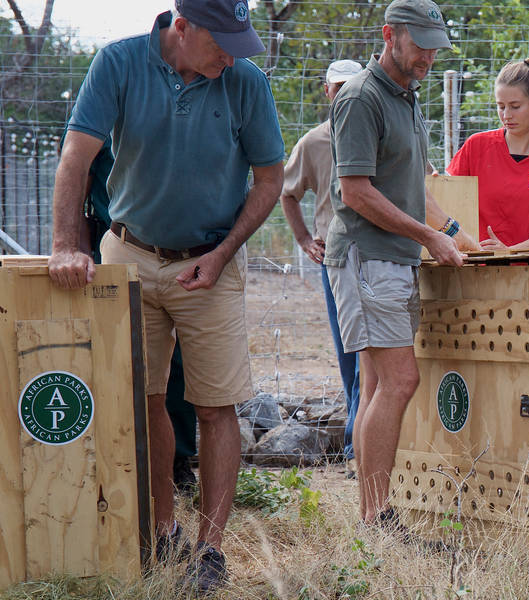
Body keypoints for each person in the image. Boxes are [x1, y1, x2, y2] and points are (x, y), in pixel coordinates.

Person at [48, 0, 284, 594]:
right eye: (221, 42)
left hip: (210, 260)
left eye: (240, 40)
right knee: (144, 399)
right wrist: (65, 245)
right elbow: (76, 156)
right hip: (129, 252)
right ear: (182, 28)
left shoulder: (245, 82)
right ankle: (161, 531)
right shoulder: (119, 63)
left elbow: (271, 179)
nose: (232, 54)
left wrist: (224, 252)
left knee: (216, 406)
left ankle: (211, 550)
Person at [324, 0, 465, 525]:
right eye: (421, 44)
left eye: (436, 46)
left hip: (392, 258)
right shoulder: (361, 98)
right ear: (390, 36)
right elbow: (356, 193)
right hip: (368, 258)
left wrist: (459, 237)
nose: (430, 55)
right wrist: (428, 236)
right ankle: (378, 515)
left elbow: (409, 189)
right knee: (400, 382)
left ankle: (372, 518)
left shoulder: (405, 96)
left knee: (379, 385)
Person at [59, 131, 199, 496]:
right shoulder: (96, 118)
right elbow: (78, 187)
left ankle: (178, 460)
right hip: (116, 244)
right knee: (120, 355)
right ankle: (119, 457)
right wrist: (79, 250)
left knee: (178, 360)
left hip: (180, 249)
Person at [280, 59, 364, 476]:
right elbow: (287, 192)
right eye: (339, 86)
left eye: (354, 85)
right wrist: (303, 240)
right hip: (336, 257)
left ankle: (360, 445)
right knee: (351, 352)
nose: (346, 92)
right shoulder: (314, 143)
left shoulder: (377, 130)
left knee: (377, 354)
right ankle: (355, 447)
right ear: (328, 91)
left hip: (381, 252)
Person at [447, 57, 529, 250]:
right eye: (501, 106)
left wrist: (510, 252)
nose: (506, 115)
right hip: (473, 266)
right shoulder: (476, 146)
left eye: (515, 106)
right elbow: (448, 203)